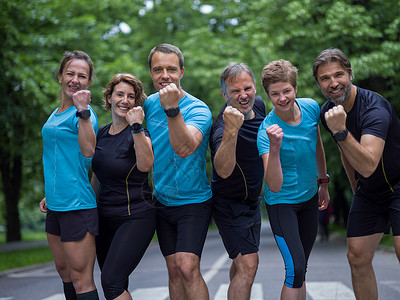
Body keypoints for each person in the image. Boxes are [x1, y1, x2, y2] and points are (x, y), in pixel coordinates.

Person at [313, 48, 400, 300]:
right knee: (357, 256)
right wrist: (355, 188)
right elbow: (346, 154)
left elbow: (369, 164)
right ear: (318, 83)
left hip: (398, 185)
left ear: (350, 73)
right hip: (370, 192)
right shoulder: (327, 112)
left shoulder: (375, 109)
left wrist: (340, 131)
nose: (333, 83)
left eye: (338, 75)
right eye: (324, 78)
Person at [143, 43, 213, 300]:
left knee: (187, 266)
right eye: (158, 69)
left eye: (171, 69)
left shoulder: (198, 109)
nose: (165, 75)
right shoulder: (148, 105)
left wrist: (172, 109)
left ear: (182, 72)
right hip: (161, 201)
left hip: (193, 201)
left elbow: (185, 148)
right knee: (173, 271)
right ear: (150, 73)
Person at [257, 59, 330, 300]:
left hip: (309, 199)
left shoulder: (310, 108)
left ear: (295, 89)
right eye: (275, 94)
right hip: (282, 205)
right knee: (295, 270)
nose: (282, 98)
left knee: (301, 270)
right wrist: (275, 148)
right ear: (268, 95)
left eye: (286, 91)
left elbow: (317, 145)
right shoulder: (266, 130)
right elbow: (274, 186)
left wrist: (323, 183)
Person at [40, 50, 99, 300]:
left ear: (88, 82)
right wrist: (50, 192)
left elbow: (88, 151)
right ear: (60, 76)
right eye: (70, 73)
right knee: (64, 272)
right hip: (55, 205)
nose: (75, 79)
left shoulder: (85, 114)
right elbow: (58, 157)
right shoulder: (55, 113)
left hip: (77, 205)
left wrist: (83, 110)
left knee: (81, 280)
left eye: (82, 76)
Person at [91, 73, 156, 300]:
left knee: (111, 283)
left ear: (137, 104)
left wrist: (136, 125)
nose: (125, 100)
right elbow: (95, 178)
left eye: (131, 97)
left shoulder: (140, 133)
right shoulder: (100, 134)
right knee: (116, 282)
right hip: (104, 218)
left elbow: (146, 164)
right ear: (109, 97)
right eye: (119, 94)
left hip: (136, 216)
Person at [209, 62, 265, 299]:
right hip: (229, 205)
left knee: (242, 265)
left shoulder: (260, 105)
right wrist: (233, 131)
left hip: (253, 202)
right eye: (235, 91)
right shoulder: (222, 127)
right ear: (224, 94)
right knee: (249, 265)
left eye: (248, 88)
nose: (243, 95)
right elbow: (222, 170)